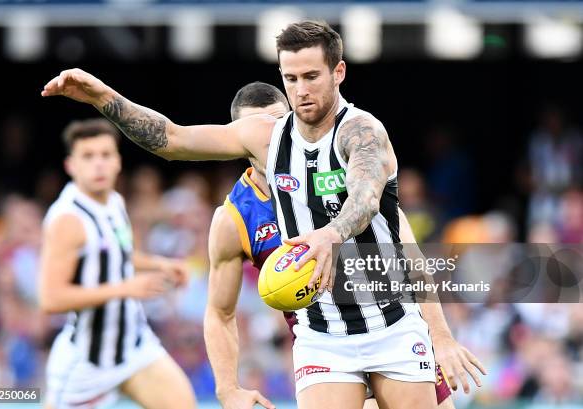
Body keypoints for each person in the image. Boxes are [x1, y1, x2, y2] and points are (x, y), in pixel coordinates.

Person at [42, 21, 484, 409]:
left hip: (391, 323)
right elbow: (171, 140)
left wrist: (332, 236)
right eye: (290, 78)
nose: (301, 89)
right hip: (322, 335)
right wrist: (102, 97)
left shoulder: (362, 131)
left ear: (339, 72)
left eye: (312, 76)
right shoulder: (266, 139)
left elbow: (367, 198)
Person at [205, 82, 484, 409]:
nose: (268, 136)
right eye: (255, 128)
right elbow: (220, 312)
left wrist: (440, 337)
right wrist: (227, 388)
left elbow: (409, 255)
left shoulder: (342, 169)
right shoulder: (235, 217)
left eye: (277, 122)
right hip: (325, 349)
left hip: (393, 328)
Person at [38, 119, 195, 409]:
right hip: (87, 362)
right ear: (70, 165)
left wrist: (158, 264)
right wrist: (124, 289)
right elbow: (51, 299)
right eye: (88, 156)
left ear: (118, 162)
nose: (98, 164)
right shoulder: (67, 220)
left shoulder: (114, 201)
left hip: (135, 347)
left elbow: (113, 255)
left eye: (105, 155)